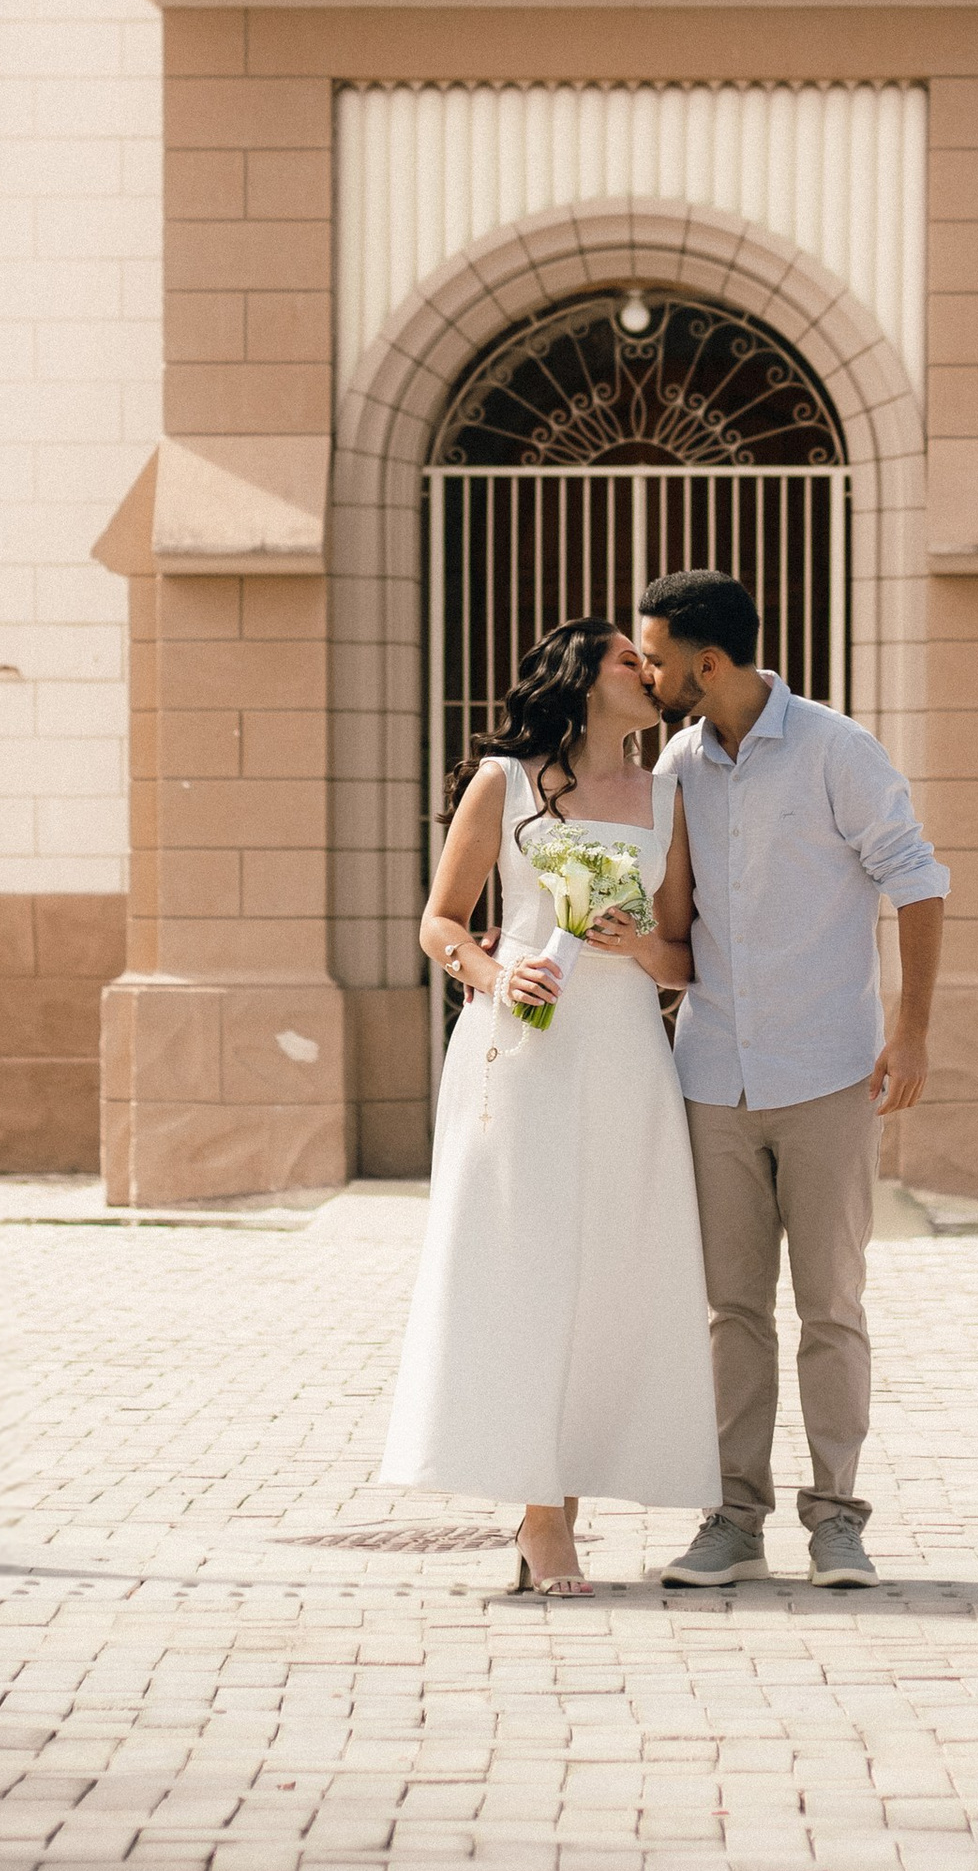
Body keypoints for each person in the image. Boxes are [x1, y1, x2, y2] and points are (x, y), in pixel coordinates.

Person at [379, 617, 720, 1597]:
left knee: (613, 1273)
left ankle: (563, 1499)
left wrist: (637, 951)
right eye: (628, 659)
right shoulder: (505, 781)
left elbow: (683, 952)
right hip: (520, 1053)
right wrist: (492, 971)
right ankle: (542, 1523)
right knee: (525, 1268)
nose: (647, 674)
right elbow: (438, 921)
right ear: (579, 677)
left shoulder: (668, 799)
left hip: (623, 1052)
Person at [635, 571, 948, 1593]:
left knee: (829, 1305)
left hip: (825, 1073)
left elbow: (918, 879)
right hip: (712, 1075)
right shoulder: (678, 762)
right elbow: (678, 926)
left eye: (657, 657)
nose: (647, 673)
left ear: (707, 663)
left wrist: (911, 1034)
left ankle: (837, 1518)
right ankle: (732, 1517)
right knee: (729, 1311)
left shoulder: (835, 751)